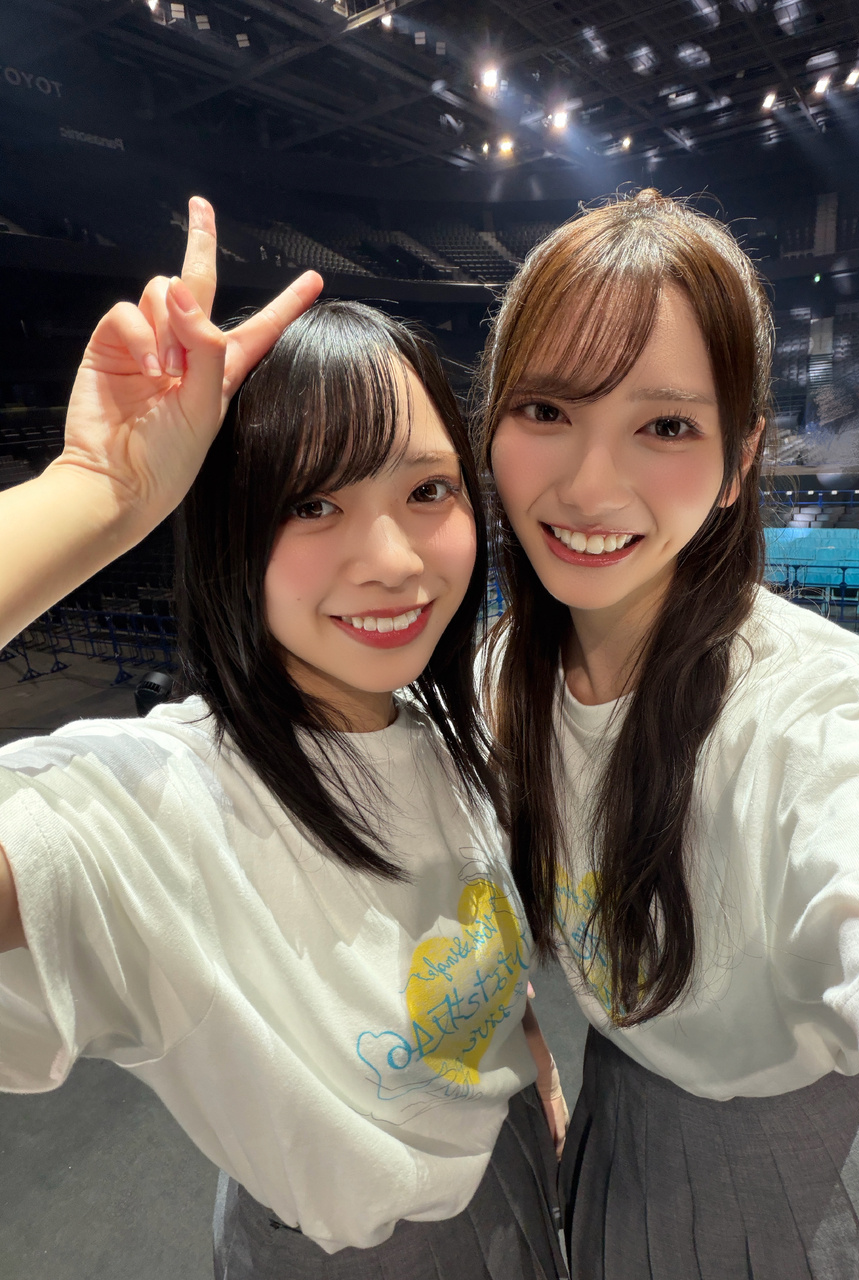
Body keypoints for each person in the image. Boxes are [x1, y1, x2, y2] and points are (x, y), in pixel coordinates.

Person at [0, 199, 566, 1279]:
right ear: (232, 528)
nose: (393, 560)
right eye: (312, 503)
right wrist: (95, 494)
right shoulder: (154, 808)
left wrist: (529, 1066)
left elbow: (480, 950)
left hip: (515, 1188)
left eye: (428, 488)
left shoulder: (446, 730)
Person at [476, 189, 859, 1279]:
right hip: (620, 1127)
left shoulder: (822, 715)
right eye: (546, 408)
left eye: (664, 426)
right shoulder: (498, 679)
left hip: (796, 1174)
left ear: (741, 460)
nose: (589, 484)